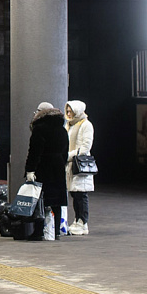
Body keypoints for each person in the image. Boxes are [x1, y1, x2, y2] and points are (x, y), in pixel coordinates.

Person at [24, 102, 69, 240]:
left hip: (43, 167)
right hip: (58, 166)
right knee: (57, 200)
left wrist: (30, 170)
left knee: (40, 200)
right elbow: (65, 151)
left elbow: (34, 152)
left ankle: (39, 231)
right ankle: (55, 232)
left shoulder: (39, 129)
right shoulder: (62, 129)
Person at [65, 100, 95, 236]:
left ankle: (83, 222)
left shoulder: (86, 125)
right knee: (75, 194)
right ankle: (77, 220)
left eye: (71, 111)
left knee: (81, 194)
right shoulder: (69, 125)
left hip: (79, 165)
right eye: (67, 111)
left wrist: (68, 155)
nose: (69, 114)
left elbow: (85, 147)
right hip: (71, 165)